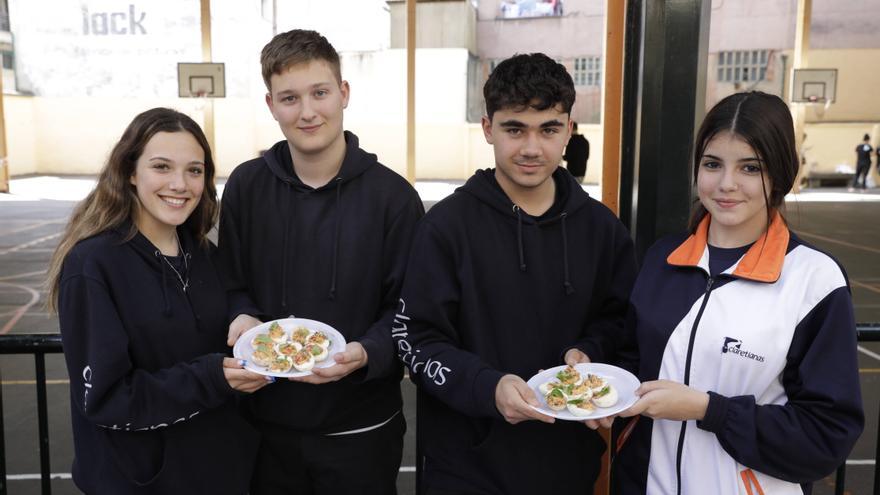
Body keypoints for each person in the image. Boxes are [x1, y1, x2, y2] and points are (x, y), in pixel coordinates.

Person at [393, 53, 638, 494]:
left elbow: (621, 325)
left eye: (548, 128)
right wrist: (488, 387)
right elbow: (416, 340)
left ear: (569, 128)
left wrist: (591, 349)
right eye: (514, 128)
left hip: (567, 465)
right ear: (488, 128)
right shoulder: (445, 228)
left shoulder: (604, 230)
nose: (531, 148)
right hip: (463, 468)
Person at [614, 91, 864, 495]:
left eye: (750, 167)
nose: (727, 184)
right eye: (713, 164)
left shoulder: (814, 280)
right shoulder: (664, 257)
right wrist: (593, 377)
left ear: (783, 174)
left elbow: (826, 436)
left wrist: (710, 410)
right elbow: (631, 361)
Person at [217, 29, 424, 494]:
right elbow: (231, 282)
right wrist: (241, 313)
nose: (307, 111)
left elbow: (409, 309)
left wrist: (368, 350)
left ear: (343, 94)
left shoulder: (393, 198)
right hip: (264, 428)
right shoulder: (246, 188)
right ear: (271, 105)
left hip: (361, 429)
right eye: (289, 97)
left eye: (320, 93)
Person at [46, 108, 268, 494]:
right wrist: (212, 377)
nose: (180, 184)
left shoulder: (202, 254)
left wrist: (243, 313)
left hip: (217, 473)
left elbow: (230, 294)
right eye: (162, 167)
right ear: (130, 172)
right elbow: (107, 400)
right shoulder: (93, 265)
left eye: (194, 170)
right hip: (142, 480)